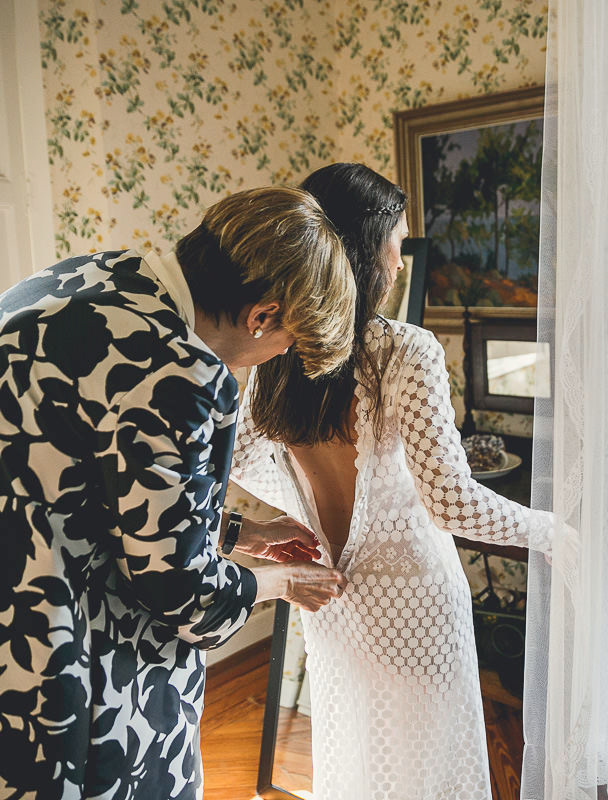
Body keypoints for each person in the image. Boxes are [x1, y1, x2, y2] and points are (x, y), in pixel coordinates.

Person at [0, 187, 351, 799]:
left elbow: (101, 481)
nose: (274, 357)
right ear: (263, 316)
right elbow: (178, 589)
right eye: (286, 344)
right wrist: (281, 583)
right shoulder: (175, 368)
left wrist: (237, 532)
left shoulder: (104, 275)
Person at [231, 164, 558, 800]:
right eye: (395, 243)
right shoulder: (407, 350)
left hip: (329, 593)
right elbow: (453, 502)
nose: (400, 262)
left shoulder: (279, 351)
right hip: (415, 601)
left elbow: (240, 458)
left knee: (359, 755)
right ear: (363, 249)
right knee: (430, 767)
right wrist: (551, 530)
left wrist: (306, 510)